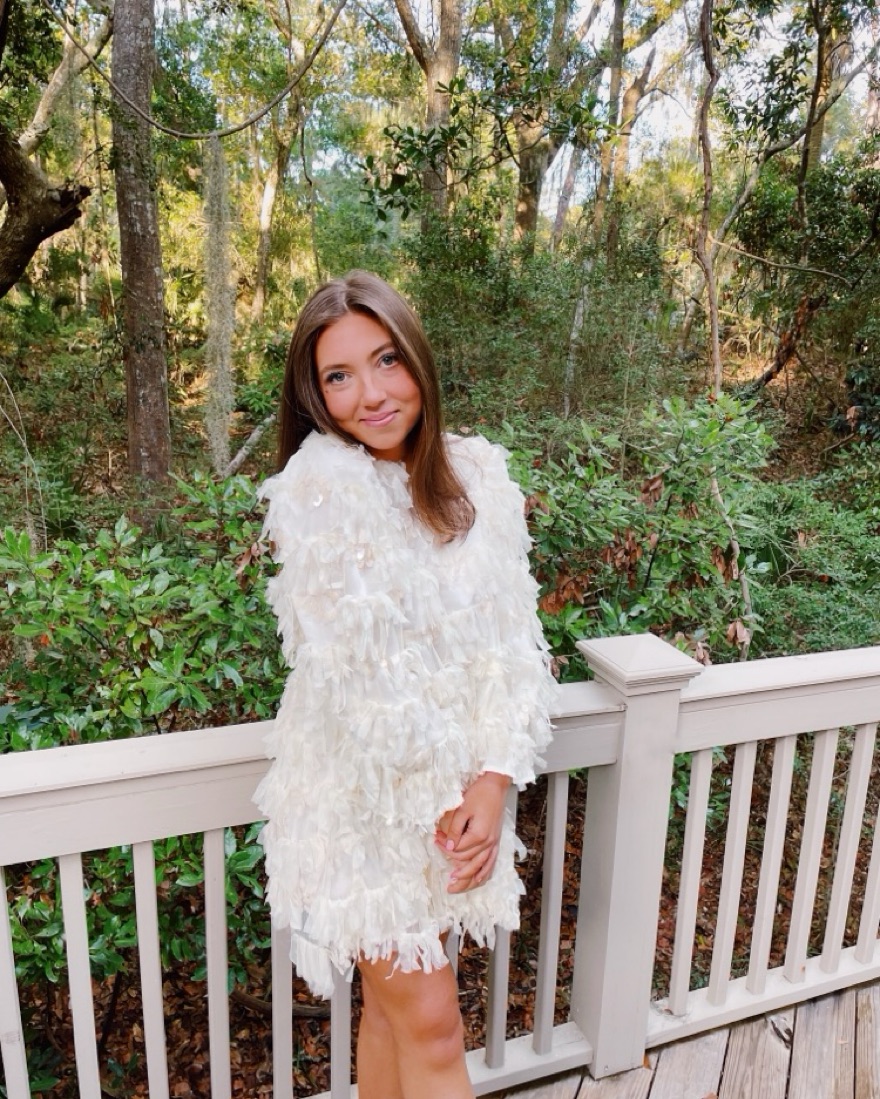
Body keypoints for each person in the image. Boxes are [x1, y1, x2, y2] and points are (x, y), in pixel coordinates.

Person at [254, 270, 556, 1099]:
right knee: (432, 1023)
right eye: (339, 375)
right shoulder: (322, 487)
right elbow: (363, 683)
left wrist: (492, 782)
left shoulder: (478, 475)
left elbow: (512, 647)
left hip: (457, 798)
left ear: (417, 357)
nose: (372, 393)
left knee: (396, 1020)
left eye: (386, 359)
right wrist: (452, 809)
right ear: (315, 396)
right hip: (359, 805)